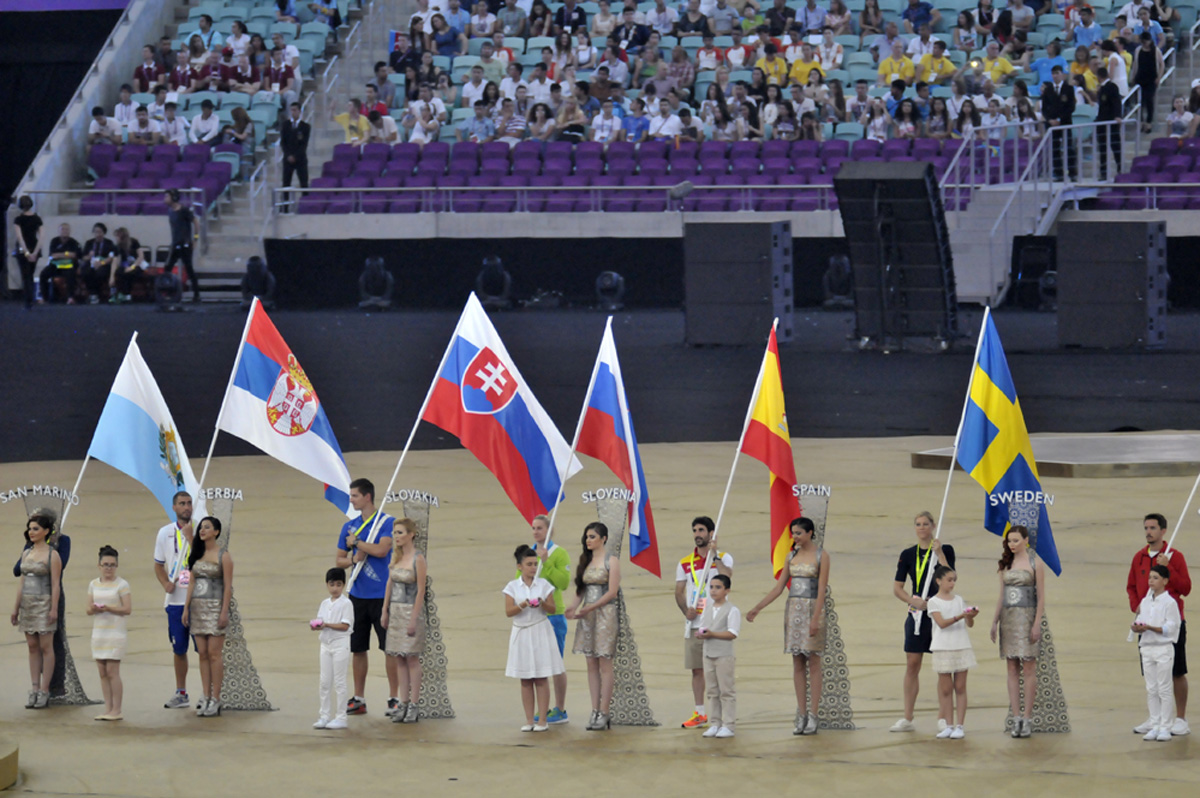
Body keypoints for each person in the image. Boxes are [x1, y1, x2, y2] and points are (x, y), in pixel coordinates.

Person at [746, 517, 830, 735]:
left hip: (813, 609)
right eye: (793, 533)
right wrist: (758, 607)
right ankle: (801, 714)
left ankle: (813, 714)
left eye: (799, 533)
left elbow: (821, 590)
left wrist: (815, 618)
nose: (795, 537)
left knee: (814, 662)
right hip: (794, 611)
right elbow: (779, 587)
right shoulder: (791, 556)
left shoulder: (822, 556)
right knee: (797, 662)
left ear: (810, 533)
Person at [335, 478, 395, 717]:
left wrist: (358, 543)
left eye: (354, 496)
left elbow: (382, 550)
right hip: (357, 595)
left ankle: (394, 697)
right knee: (357, 648)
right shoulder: (349, 527)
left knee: (389, 648)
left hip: (382, 595)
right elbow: (339, 559)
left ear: (367, 496)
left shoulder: (386, 522)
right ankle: (359, 697)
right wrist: (352, 559)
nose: (351, 499)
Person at [891, 511, 956, 733]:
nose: (922, 527)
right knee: (912, 663)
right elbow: (897, 587)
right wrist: (912, 601)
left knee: (941, 666)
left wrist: (939, 554)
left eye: (926, 524)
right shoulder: (908, 554)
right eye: (918, 524)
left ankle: (943, 717)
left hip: (938, 611)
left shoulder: (944, 550)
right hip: (917, 613)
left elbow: (950, 578)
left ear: (933, 526)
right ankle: (908, 717)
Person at [1128, 513, 1191, 736]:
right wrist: (1137, 606)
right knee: (1151, 674)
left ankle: (1180, 718)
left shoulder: (1175, 556)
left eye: (1153, 528)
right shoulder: (1139, 557)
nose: (1148, 532)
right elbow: (1131, 586)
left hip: (1171, 624)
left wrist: (1169, 568)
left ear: (1163, 531)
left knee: (1176, 671)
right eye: (1146, 527)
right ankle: (1155, 719)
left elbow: (1185, 588)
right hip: (1147, 625)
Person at [676, 516, 733, 729]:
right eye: (694, 530)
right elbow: (679, 590)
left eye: (701, 530)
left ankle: (722, 715)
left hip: (718, 623)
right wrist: (685, 611)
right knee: (697, 670)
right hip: (695, 623)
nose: (697, 534)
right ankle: (700, 712)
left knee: (718, 670)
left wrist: (715, 554)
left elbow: (728, 578)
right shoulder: (684, 562)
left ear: (711, 533)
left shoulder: (724, 558)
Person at [989, 525, 1045, 739]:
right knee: (1011, 668)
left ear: (1025, 540)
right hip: (1009, 620)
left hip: (1027, 618)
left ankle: (1028, 718)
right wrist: (994, 621)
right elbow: (1001, 596)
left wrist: (1037, 622)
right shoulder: (1006, 564)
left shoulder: (1035, 563)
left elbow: (1041, 597)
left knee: (1029, 667)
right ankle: (1016, 716)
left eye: (1016, 540)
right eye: (1009, 541)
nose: (1012, 545)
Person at [565, 523, 620, 731]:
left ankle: (604, 711)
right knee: (591, 662)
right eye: (587, 536)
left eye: (593, 536)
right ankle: (594, 709)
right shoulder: (585, 561)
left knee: (605, 662)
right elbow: (581, 589)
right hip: (588, 616)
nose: (588, 540)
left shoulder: (611, 561)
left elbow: (611, 592)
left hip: (605, 614)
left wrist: (590, 608)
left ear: (603, 539)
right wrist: (573, 607)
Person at [504, 545, 564, 732]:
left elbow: (553, 609)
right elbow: (508, 612)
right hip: (522, 632)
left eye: (535, 564)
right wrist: (522, 605)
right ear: (519, 566)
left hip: (539, 631)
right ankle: (529, 720)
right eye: (529, 564)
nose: (533, 567)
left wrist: (542, 603)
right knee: (525, 679)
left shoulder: (544, 585)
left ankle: (542, 720)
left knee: (540, 676)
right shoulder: (512, 587)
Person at [522, 515, 571, 724]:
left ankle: (560, 708)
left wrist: (546, 563)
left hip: (553, 615)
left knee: (556, 663)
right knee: (537, 663)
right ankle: (542, 709)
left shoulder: (559, 553)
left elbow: (563, 582)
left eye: (540, 528)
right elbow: (519, 579)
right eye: (533, 528)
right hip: (532, 615)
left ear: (550, 530)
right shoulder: (528, 553)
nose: (535, 531)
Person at [182, 516, 232, 717]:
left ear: (216, 532)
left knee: (214, 653)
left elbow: (228, 586)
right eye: (201, 527)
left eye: (207, 527)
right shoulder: (196, 554)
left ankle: (216, 698)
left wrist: (223, 611)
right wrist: (186, 608)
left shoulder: (223, 556)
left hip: (215, 606)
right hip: (198, 607)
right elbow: (191, 583)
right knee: (201, 652)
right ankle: (205, 694)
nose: (202, 530)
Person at [11, 514, 61, 709]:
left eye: (36, 529)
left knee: (46, 646)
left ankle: (44, 690)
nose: (32, 532)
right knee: (32, 645)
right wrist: (16, 608)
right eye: (30, 529)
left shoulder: (52, 555)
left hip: (44, 602)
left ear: (46, 531)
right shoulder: (26, 553)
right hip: (28, 604)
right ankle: (33, 688)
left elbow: (55, 584)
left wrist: (54, 608)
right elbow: (21, 582)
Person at [153, 491, 195, 709]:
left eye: (189, 503)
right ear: (174, 508)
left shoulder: (201, 530)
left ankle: (211, 693)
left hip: (197, 599)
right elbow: (158, 565)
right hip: (175, 601)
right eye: (182, 504)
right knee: (179, 648)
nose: (186, 507)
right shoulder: (165, 533)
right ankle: (181, 692)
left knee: (206, 650)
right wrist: (165, 583)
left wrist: (190, 537)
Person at [382, 519, 426, 724]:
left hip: (410, 611)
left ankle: (415, 705)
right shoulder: (396, 557)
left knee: (411, 658)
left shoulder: (418, 559)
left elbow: (420, 591)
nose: (396, 536)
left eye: (400, 532)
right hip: (396, 612)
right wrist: (385, 610)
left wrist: (414, 618)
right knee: (398, 657)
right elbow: (389, 584)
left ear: (411, 534)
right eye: (395, 533)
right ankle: (404, 702)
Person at [927, 564, 977, 740]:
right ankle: (948, 725)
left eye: (954, 580)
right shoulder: (933, 602)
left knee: (960, 687)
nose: (952, 583)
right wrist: (961, 616)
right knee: (946, 689)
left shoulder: (958, 600)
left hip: (961, 645)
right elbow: (941, 623)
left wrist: (969, 616)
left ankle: (960, 725)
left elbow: (968, 625)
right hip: (943, 647)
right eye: (949, 580)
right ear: (939, 581)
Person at [1134, 564, 1183, 742]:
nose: (1151, 581)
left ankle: (1165, 726)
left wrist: (1151, 628)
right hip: (1147, 648)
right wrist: (1137, 627)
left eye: (1155, 578)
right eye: (1150, 578)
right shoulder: (1146, 601)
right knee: (1151, 689)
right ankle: (1155, 725)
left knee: (1164, 688)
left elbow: (1172, 626)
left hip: (1163, 648)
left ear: (1165, 581)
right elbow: (1140, 620)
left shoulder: (1170, 603)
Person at [87, 545, 131, 721]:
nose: (108, 568)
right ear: (99, 565)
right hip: (99, 632)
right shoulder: (93, 584)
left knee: (113, 671)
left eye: (112, 565)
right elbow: (88, 609)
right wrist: (94, 609)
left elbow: (127, 609)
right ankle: (108, 707)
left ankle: (117, 709)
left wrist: (109, 608)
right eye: (105, 564)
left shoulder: (122, 584)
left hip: (115, 633)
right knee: (102, 671)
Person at [696, 574, 739, 739]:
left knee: (726, 690)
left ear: (727, 590)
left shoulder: (732, 610)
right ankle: (715, 723)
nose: (713, 591)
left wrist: (712, 633)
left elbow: (732, 633)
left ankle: (728, 724)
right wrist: (701, 634)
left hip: (723, 655)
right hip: (708, 653)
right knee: (712, 690)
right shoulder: (707, 607)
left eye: (718, 587)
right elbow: (702, 626)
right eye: (712, 587)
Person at [311, 567, 354, 730]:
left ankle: (341, 716)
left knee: (340, 681)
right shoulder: (325, 603)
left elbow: (344, 626)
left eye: (338, 584)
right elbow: (321, 620)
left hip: (340, 645)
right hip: (326, 645)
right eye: (331, 584)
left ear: (343, 585)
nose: (334, 588)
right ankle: (324, 715)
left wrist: (326, 624)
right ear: (327, 585)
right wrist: (317, 625)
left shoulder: (346, 603)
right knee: (324, 681)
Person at [163, 189, 200, 302]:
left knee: (189, 269)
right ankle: (169, 293)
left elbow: (196, 222)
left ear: (174, 198)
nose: (165, 199)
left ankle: (196, 295)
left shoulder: (184, 210)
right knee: (167, 268)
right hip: (175, 244)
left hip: (185, 245)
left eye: (167, 196)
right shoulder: (170, 211)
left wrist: (195, 239)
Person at [1042, 67, 1076, 180]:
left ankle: (1072, 173)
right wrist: (1049, 120)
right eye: (1053, 74)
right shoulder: (1048, 90)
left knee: (1068, 148)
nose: (1055, 76)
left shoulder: (1069, 88)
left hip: (1065, 122)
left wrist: (1060, 119)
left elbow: (1071, 107)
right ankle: (1059, 173)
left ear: (1062, 74)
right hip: (1052, 124)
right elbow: (1044, 108)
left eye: (1057, 73)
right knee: (1054, 148)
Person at [39, 223, 82, 305]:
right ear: (59, 231)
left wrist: (61, 255)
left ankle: (70, 297)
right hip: (55, 266)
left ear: (69, 231)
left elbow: (74, 255)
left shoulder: (73, 242)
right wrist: (66, 254)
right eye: (63, 229)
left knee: (71, 274)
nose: (65, 231)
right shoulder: (54, 241)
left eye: (66, 229)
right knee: (43, 274)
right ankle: (44, 297)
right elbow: (53, 255)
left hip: (68, 266)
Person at [1131, 31, 1164, 134]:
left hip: (1151, 79)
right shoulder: (1138, 50)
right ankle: (1141, 122)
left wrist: (1159, 77)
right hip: (1140, 78)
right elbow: (1136, 64)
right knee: (1139, 101)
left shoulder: (1156, 50)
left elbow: (1161, 64)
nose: (1145, 43)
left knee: (1149, 100)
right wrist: (1133, 77)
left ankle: (1149, 122)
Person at [1094, 66, 1122, 180]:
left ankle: (1120, 168)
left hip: (1110, 121)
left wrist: (1117, 116)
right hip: (1102, 122)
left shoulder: (1112, 87)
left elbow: (1117, 102)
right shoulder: (1101, 88)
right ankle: (1103, 172)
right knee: (1103, 148)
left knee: (1115, 146)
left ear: (1099, 77)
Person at [281, 102, 310, 191]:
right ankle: (285, 204)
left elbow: (304, 144)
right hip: (288, 158)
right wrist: (288, 155)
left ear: (299, 111)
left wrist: (295, 156)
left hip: (300, 159)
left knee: (304, 183)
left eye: (294, 110)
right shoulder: (285, 125)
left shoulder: (305, 127)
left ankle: (305, 203)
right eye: (291, 110)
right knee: (286, 183)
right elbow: (283, 142)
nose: (293, 112)